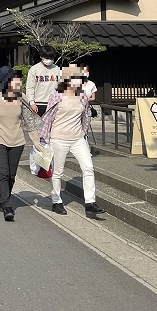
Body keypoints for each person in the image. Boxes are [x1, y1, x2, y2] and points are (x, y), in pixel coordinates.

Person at [41, 65, 106, 218]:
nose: (80, 81)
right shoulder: (56, 96)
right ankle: (56, 201)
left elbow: (85, 116)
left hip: (77, 138)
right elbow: (48, 118)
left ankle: (90, 202)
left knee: (88, 167)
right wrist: (44, 139)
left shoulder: (83, 96)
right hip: (59, 138)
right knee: (58, 171)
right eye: (77, 78)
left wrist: (83, 133)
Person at [0, 70, 41, 221]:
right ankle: (7, 205)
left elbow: (30, 121)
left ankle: (4, 198)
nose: (19, 84)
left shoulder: (21, 98)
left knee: (11, 175)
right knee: (3, 172)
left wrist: (36, 141)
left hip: (17, 141)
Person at [25, 45, 60, 117]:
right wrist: (31, 102)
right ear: (41, 56)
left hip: (53, 104)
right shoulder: (34, 69)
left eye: (51, 58)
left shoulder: (57, 69)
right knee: (38, 127)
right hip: (38, 104)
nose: (49, 60)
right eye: (47, 57)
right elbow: (30, 87)